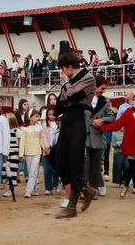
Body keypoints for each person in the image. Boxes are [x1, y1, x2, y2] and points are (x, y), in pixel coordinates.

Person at [53, 52, 96, 219]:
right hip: (67, 121)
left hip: (79, 119)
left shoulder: (88, 77)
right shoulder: (72, 81)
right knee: (58, 159)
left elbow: (70, 96)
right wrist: (67, 91)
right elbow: (59, 106)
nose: (63, 73)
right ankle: (85, 188)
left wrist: (66, 84)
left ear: (69, 67)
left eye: (63, 69)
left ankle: (72, 206)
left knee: (75, 162)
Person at [99, 93, 135, 202]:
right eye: (134, 100)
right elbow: (117, 125)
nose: (134, 101)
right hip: (129, 144)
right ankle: (126, 185)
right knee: (130, 167)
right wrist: (102, 128)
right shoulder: (128, 112)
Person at [85, 75, 114, 197]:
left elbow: (111, 117)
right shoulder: (84, 98)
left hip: (97, 137)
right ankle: (84, 190)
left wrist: (102, 120)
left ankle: (93, 189)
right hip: (84, 136)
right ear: (95, 86)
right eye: (102, 88)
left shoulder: (105, 101)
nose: (103, 91)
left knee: (96, 166)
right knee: (84, 164)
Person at [19, 110, 48, 199]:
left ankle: (28, 190)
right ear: (29, 117)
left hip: (37, 153)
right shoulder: (24, 129)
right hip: (28, 153)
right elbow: (22, 142)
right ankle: (35, 188)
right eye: (36, 116)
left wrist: (45, 148)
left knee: (32, 171)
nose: (38, 118)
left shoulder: (39, 127)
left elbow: (41, 139)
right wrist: (21, 154)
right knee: (32, 171)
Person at [41, 106, 60, 196]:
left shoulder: (59, 123)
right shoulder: (44, 124)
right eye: (49, 115)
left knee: (55, 168)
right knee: (47, 169)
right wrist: (46, 147)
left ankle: (56, 184)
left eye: (53, 114)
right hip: (46, 149)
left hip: (57, 149)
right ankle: (48, 188)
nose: (51, 116)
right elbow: (43, 135)